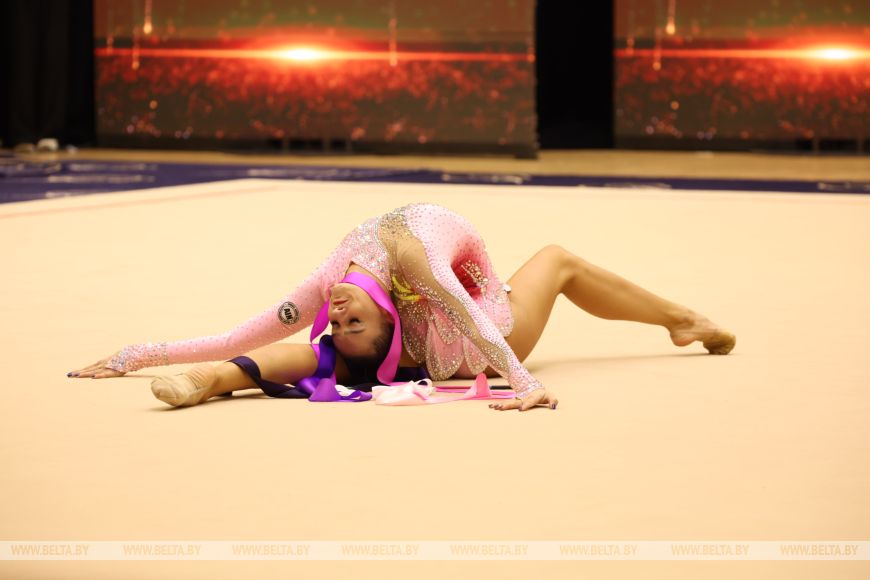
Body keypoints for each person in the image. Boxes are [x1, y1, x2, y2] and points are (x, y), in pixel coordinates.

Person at [68, 203, 735, 412]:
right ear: (395, 316)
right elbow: (475, 321)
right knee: (557, 259)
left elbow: (236, 334)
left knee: (284, 351)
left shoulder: (329, 279)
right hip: (482, 334)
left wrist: (134, 355)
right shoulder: (416, 266)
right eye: (350, 322)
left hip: (459, 309)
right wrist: (525, 382)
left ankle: (204, 384)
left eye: (337, 323)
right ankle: (682, 320)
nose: (335, 313)